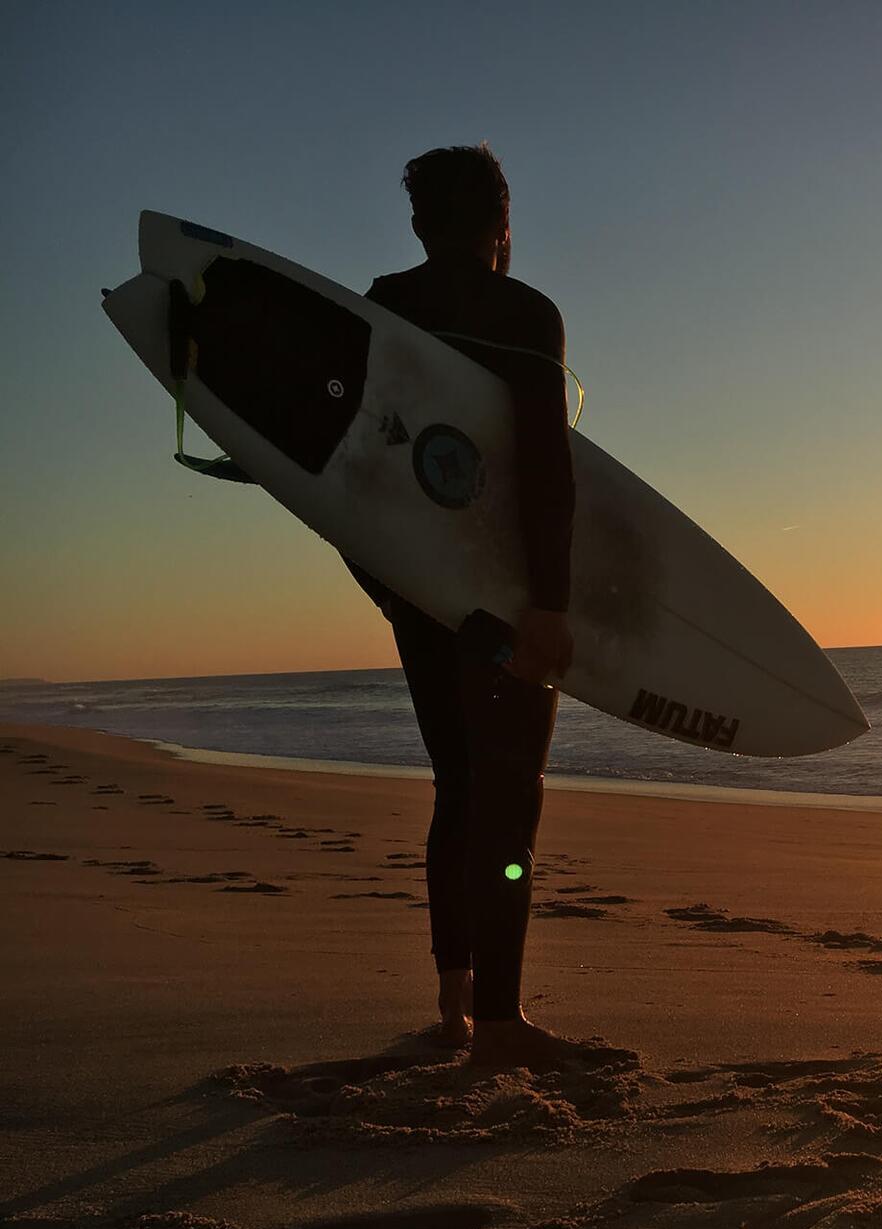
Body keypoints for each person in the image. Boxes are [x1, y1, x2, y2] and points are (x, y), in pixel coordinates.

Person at [349, 144, 587, 1067]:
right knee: (510, 792)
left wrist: (389, 587)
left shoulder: (382, 306)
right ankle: (501, 1023)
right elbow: (546, 469)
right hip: (505, 595)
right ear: (502, 221)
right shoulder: (523, 312)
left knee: (456, 785)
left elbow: (350, 472)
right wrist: (550, 606)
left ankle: (454, 1003)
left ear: (418, 223)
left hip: (419, 589)